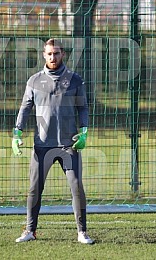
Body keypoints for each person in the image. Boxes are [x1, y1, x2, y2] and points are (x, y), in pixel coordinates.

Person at [12, 38, 93, 244]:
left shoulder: (75, 80)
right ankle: (30, 230)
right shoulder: (34, 81)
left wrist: (84, 131)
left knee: (76, 186)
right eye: (49, 53)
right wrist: (17, 133)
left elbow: (83, 107)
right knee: (34, 188)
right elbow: (25, 107)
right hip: (42, 145)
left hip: (69, 145)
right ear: (43, 55)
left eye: (56, 53)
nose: (53, 57)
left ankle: (82, 232)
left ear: (62, 54)